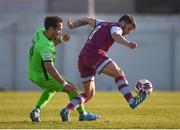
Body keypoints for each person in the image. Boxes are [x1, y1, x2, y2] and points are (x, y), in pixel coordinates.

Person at [60, 14, 148, 121]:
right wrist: (128, 43)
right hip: (94, 54)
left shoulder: (102, 23)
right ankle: (131, 100)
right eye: (129, 28)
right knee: (118, 73)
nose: (128, 32)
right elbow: (116, 35)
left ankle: (67, 110)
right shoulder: (117, 27)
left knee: (89, 94)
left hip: (83, 58)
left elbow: (87, 20)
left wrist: (73, 25)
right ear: (123, 23)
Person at [28, 16, 99, 122]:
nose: (60, 31)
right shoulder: (45, 46)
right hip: (43, 75)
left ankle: (36, 111)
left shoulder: (41, 31)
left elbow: (48, 44)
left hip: (32, 72)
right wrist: (65, 84)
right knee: (72, 88)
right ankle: (82, 114)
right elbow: (50, 67)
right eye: (59, 29)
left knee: (51, 89)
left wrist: (61, 40)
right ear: (51, 28)